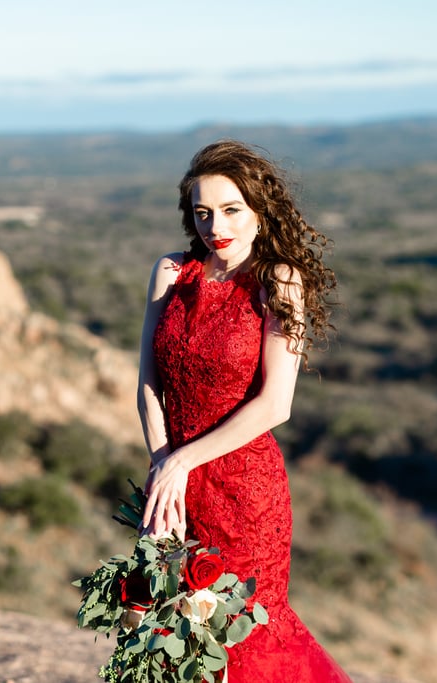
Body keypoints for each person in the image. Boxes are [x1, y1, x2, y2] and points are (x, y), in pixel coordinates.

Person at [138, 140, 352, 682]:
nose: (215, 226)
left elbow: (275, 404)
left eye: (231, 209)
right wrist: (164, 465)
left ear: (260, 210)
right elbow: (147, 381)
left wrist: (181, 463)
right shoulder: (170, 271)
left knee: (246, 636)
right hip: (173, 485)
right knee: (174, 635)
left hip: (244, 491)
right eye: (202, 212)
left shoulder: (277, 280)